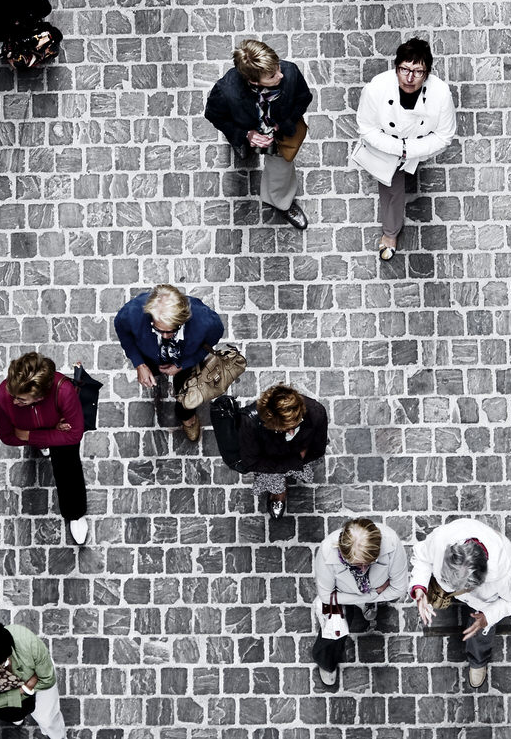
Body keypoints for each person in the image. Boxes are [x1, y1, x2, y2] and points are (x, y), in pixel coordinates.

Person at [351, 38, 457, 261]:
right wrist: (397, 149)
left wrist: (411, 150)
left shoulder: (441, 93)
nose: (409, 78)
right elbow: (367, 129)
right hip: (387, 148)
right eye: (404, 69)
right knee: (390, 190)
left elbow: (444, 135)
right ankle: (390, 232)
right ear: (396, 67)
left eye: (417, 71)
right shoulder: (376, 89)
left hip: (418, 146)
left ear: (427, 73)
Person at [409, 517, 511, 690]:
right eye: (444, 577)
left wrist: (488, 616)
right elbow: (421, 557)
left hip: (484, 603)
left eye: (453, 585)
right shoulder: (440, 539)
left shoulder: (506, 577)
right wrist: (420, 586)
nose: (446, 587)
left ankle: (478, 660)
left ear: (476, 584)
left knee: (480, 633)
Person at [204, 39, 314, 230]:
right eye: (272, 75)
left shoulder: (290, 72)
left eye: (278, 66)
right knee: (241, 145)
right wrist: (245, 134)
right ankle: (242, 147)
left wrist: (284, 124)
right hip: (247, 130)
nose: (280, 75)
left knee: (282, 169)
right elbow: (214, 116)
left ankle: (282, 203)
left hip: (279, 135)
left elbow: (303, 99)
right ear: (253, 81)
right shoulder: (225, 91)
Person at [0, 352, 91, 545]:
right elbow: (7, 436)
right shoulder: (2, 396)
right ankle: (43, 444)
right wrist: (44, 436)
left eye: (21, 400)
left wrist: (29, 435)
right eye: (13, 395)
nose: (14, 402)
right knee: (51, 443)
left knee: (68, 470)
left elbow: (74, 435)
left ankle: (75, 513)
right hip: (51, 431)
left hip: (51, 433)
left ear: (39, 397)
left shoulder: (64, 391)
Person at [112, 283, 224, 443]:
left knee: (187, 390)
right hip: (150, 357)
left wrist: (184, 364)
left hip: (185, 358)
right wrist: (139, 363)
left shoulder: (207, 321)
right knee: (153, 371)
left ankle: (187, 417)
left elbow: (212, 340)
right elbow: (122, 330)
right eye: (159, 330)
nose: (165, 336)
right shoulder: (132, 313)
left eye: (172, 330)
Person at [309, 517, 411, 688]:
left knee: (370, 601)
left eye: (369, 563)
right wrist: (372, 595)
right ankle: (326, 661)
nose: (363, 569)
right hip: (345, 593)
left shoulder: (392, 543)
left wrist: (369, 595)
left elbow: (399, 589)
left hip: (370, 591)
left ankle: (367, 604)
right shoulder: (327, 551)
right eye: (357, 564)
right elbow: (327, 597)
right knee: (334, 631)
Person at [0, 622, 66, 739]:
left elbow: (47, 679)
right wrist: (22, 690)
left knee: (46, 719)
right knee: (13, 715)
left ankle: (60, 736)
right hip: (22, 685)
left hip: (37, 678)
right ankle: (18, 717)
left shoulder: (29, 643)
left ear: (3, 661)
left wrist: (24, 688)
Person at [238, 384, 328, 519]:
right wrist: (293, 461)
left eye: (295, 425)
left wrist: (301, 458)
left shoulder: (316, 412)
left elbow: (318, 449)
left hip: (299, 456)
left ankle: (281, 484)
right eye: (285, 429)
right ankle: (278, 491)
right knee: (273, 477)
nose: (292, 432)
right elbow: (251, 461)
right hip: (271, 460)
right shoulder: (249, 422)